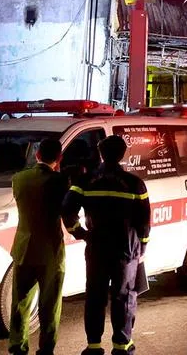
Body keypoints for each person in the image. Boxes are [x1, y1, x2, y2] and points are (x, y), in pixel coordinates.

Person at [63, 135, 151, 355]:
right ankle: (121, 346)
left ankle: (93, 346)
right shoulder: (135, 183)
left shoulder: (84, 182)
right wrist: (142, 247)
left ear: (101, 153)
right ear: (123, 155)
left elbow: (67, 210)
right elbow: (144, 221)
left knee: (95, 296)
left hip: (96, 247)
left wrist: (81, 233)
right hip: (125, 249)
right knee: (124, 296)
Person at [8, 138, 70, 355]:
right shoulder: (60, 181)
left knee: (20, 301)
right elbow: (66, 212)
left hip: (23, 247)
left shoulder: (19, 179)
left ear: (37, 155)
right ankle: (46, 348)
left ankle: (17, 345)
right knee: (50, 304)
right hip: (50, 251)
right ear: (59, 158)